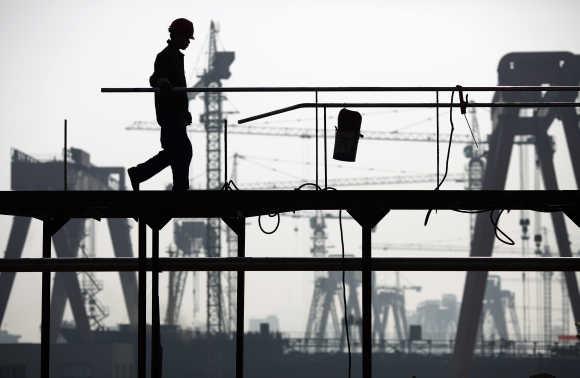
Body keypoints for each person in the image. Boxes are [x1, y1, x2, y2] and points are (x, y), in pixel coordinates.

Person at [128, 18, 194, 191]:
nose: (188, 42)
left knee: (178, 152)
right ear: (177, 35)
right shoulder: (166, 56)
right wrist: (162, 82)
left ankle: (177, 187)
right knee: (180, 151)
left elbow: (179, 89)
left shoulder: (176, 56)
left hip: (176, 114)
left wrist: (185, 111)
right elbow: (155, 78)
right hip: (170, 115)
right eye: (186, 38)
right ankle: (141, 174)